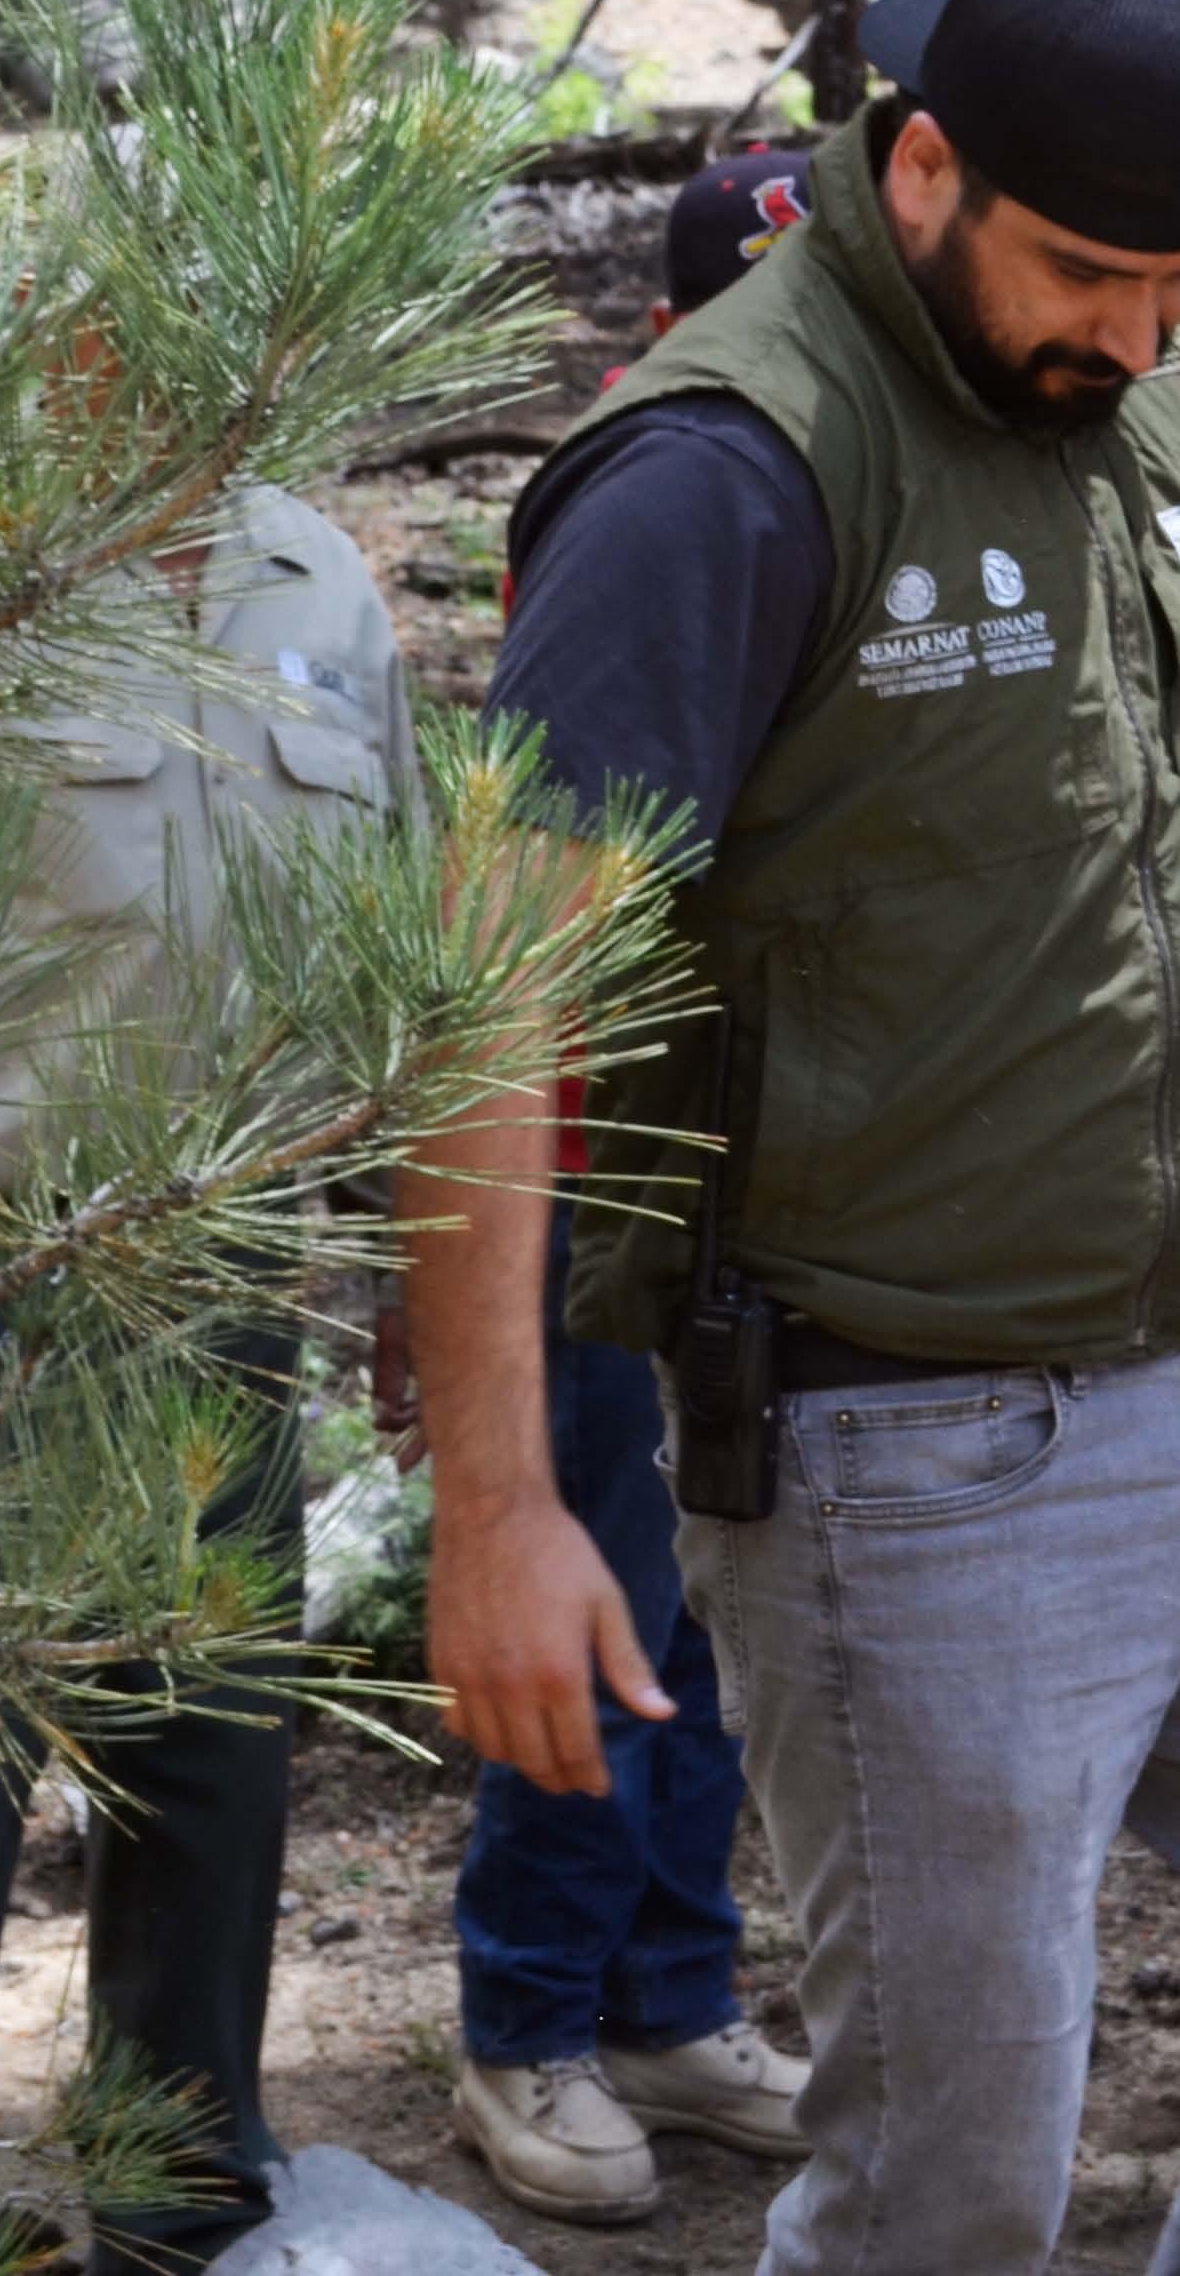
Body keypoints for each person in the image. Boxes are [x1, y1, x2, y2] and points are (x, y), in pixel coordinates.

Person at [396, 0, 1180, 2275]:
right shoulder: (720, 475)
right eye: (1086, 277)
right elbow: (481, 999)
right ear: (924, 165)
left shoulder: (1118, 401)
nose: (1134, 338)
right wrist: (498, 1503)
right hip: (907, 1449)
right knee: (948, 2197)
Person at [0, 484, 414, 2276]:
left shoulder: (318, 575)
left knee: (211, 1749)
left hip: (227, 1257)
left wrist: (413, 1251)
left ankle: (181, 2214)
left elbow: (401, 944)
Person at [409, 146, 819, 2225]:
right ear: (673, 325)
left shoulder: (818, 477)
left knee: (719, 1611)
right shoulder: (650, 493)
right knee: (600, 1597)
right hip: (583, 1160)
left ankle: (673, 1993)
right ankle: (530, 2017)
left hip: (750, 1165)